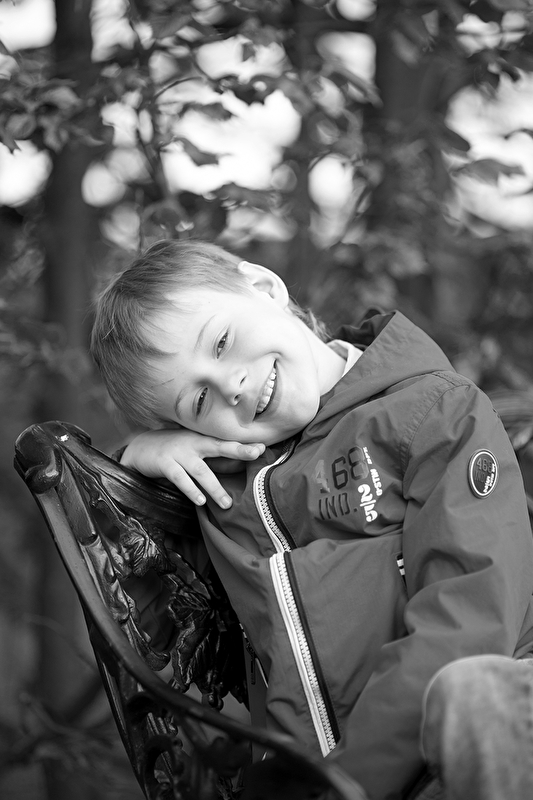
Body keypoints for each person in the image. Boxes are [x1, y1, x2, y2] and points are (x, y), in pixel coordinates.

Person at [90, 239, 533, 800]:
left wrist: (347, 783)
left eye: (221, 342)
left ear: (265, 288)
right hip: (312, 776)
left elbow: (468, 625)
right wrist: (136, 458)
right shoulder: (225, 487)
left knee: (477, 694)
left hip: (462, 744)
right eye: (198, 402)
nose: (231, 386)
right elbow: (142, 590)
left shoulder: (435, 411)